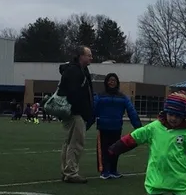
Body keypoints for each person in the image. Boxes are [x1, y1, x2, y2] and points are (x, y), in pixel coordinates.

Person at [94, 72, 143, 179]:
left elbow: (131, 112)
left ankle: (113, 170)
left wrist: (138, 127)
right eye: (109, 80)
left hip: (116, 128)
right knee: (103, 150)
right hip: (103, 128)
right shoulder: (100, 96)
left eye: (114, 80)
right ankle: (104, 171)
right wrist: (87, 124)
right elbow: (93, 110)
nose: (111, 82)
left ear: (117, 83)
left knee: (115, 149)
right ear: (106, 82)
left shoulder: (123, 97)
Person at [57, 46, 95, 183]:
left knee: (69, 142)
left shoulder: (78, 70)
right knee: (76, 142)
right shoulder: (75, 71)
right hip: (75, 112)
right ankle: (71, 172)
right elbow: (75, 94)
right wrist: (84, 110)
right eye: (89, 55)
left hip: (72, 112)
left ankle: (66, 170)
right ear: (81, 56)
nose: (91, 58)